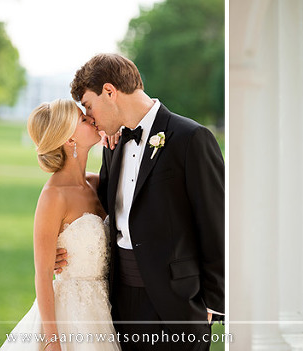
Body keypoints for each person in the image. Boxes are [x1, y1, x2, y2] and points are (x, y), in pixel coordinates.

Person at [59, 53, 224, 350]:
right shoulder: (113, 144)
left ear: (109, 92)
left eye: (89, 106)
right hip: (120, 301)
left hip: (177, 304)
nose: (90, 117)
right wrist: (63, 246)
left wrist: (214, 302)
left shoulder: (191, 138)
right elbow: (106, 209)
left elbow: (217, 222)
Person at [1, 99, 120, 350]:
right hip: (70, 315)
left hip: (104, 308)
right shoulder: (53, 196)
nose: (90, 118)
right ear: (69, 139)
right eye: (82, 119)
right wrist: (54, 341)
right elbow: (43, 275)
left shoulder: (98, 183)